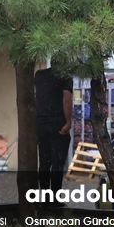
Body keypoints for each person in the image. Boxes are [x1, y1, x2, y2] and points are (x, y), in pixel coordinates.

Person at [34, 66, 73, 209]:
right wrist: (68, 122)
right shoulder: (65, 76)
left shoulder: (40, 75)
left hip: (41, 123)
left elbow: (36, 97)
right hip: (57, 124)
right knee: (57, 162)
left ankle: (45, 199)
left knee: (45, 163)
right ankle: (55, 200)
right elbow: (67, 100)